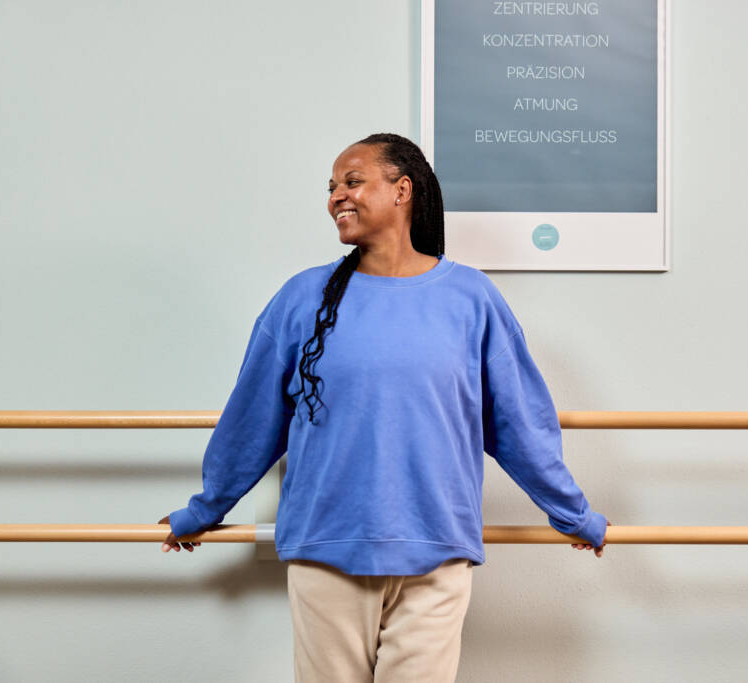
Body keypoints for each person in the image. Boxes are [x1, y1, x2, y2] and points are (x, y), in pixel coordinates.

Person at [160, 133, 608, 682]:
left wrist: (573, 513)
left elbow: (519, 425)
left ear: (402, 190)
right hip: (326, 546)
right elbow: (252, 420)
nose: (336, 197)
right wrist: (204, 509)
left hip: (437, 547)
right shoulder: (302, 298)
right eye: (330, 188)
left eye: (352, 181)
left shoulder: (472, 299)